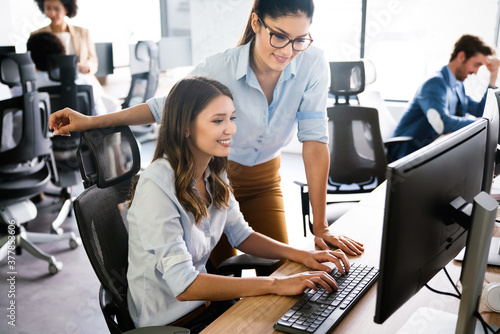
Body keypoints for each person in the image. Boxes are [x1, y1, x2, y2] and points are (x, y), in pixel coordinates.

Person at [48, 0, 365, 269]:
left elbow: (314, 141)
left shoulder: (311, 63)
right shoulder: (221, 67)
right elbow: (164, 106)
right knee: (215, 281)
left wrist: (321, 226)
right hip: (210, 185)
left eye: (300, 39)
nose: (288, 50)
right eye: (280, 36)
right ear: (256, 22)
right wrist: (92, 121)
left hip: (265, 179)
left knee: (284, 269)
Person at [126, 76, 349, 331]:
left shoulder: (213, 170)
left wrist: (304, 255)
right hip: (173, 323)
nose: (230, 128)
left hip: (209, 305)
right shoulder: (157, 186)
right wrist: (275, 284)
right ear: (185, 127)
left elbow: (241, 235)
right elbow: (184, 285)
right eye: (218, 120)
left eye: (232, 118)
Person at [389, 34, 500, 161]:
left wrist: (493, 77)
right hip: (407, 154)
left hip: (433, 149)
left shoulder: (458, 85)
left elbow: (480, 111)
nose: (475, 72)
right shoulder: (434, 84)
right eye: (476, 65)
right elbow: (442, 124)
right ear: (461, 56)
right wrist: (482, 124)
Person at [32, 0, 120, 112]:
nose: (52, 13)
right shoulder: (38, 36)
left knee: (111, 106)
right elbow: (34, 65)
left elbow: (93, 60)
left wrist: (87, 67)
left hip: (82, 81)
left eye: (56, 9)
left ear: (66, 9)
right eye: (48, 8)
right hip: (51, 85)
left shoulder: (82, 32)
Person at [11, 32, 107, 115]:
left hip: (45, 136)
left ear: (31, 56)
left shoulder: (24, 86)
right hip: (82, 133)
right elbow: (99, 113)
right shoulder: (81, 79)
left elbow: (16, 120)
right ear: (61, 53)